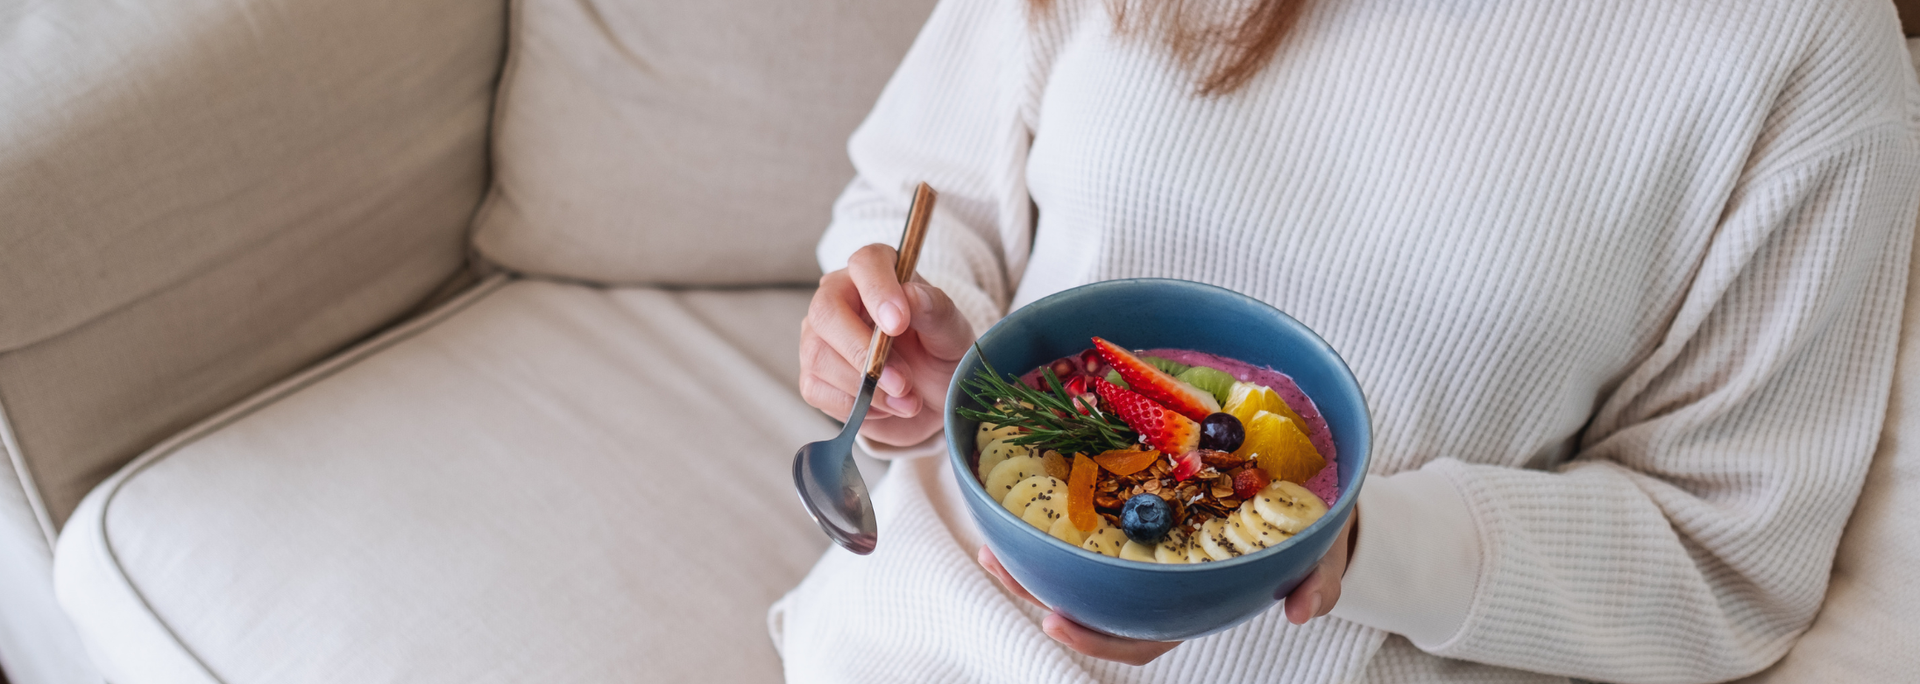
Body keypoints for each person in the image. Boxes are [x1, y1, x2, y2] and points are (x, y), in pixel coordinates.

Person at [769, 0, 1920, 681]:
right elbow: (931, 190)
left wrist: (1364, 544)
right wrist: (908, 326)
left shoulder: (1806, 52)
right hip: (923, 638)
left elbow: (1728, 556)